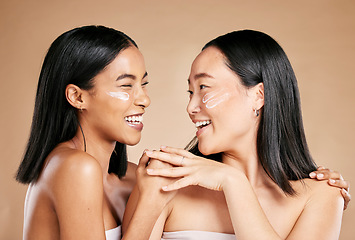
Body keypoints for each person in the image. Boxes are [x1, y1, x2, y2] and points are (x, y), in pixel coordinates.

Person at [124, 30, 349, 239]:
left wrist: (233, 183)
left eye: (204, 87)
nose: (191, 107)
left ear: (258, 95)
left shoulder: (322, 195)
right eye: (190, 92)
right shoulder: (166, 185)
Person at [15, 25, 175, 240]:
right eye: (126, 85)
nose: (144, 99)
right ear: (77, 97)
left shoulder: (130, 177)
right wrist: (150, 204)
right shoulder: (74, 168)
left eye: (143, 84)